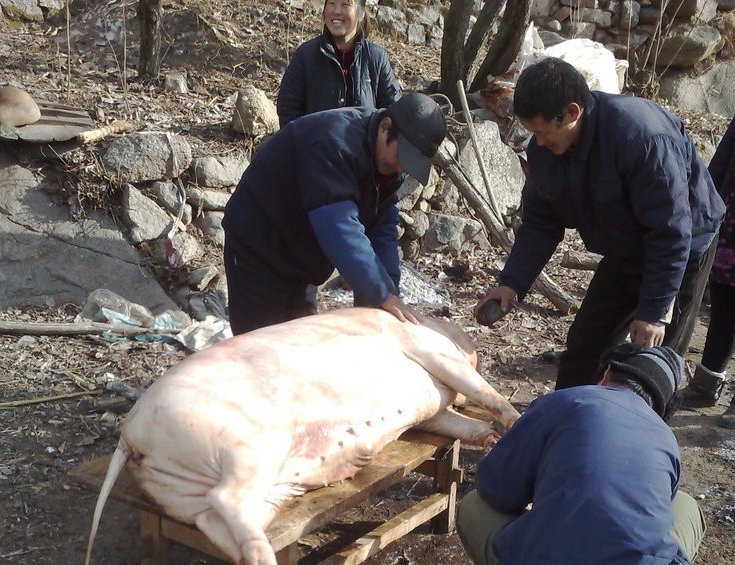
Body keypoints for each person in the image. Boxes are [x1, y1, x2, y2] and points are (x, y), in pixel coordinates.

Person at [456, 344, 706, 565]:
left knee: (473, 505)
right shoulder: (665, 437)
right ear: (660, 403)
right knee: (686, 506)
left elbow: (499, 491)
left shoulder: (565, 401)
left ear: (606, 374)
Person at [476, 58, 725, 390]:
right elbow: (540, 222)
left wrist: (653, 311)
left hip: (682, 245)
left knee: (652, 366)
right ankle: (564, 421)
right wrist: (512, 282)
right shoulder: (546, 149)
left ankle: (635, 435)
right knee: (585, 346)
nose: (538, 142)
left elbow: (671, 231)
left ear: (572, 112)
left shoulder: (641, 137)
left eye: (543, 132)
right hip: (623, 245)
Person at [222, 92, 447, 335]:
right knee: (260, 347)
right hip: (260, 247)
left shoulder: (389, 166)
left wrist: (388, 294)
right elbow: (338, 226)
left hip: (300, 255)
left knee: (300, 342)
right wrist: (379, 292)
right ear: (385, 127)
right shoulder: (332, 142)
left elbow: (382, 229)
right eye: (402, 156)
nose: (402, 167)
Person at [680, 114, 735, 428]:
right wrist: (705, 201)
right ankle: (706, 383)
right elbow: (722, 161)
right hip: (731, 218)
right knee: (724, 301)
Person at [277, 0, 400, 127]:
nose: (336, 11)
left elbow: (392, 111)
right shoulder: (306, 55)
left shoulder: (376, 58)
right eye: (331, 3)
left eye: (345, 4)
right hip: (316, 145)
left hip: (363, 146)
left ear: (361, 13)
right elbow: (288, 108)